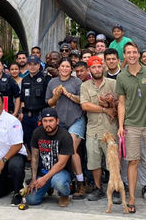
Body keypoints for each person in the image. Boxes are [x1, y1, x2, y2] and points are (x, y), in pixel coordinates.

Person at [116, 42, 146, 211]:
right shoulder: (121, 77)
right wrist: (121, 126)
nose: (132, 55)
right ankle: (132, 198)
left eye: (134, 52)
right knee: (133, 161)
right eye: (128, 52)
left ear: (139, 54)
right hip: (132, 125)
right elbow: (121, 103)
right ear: (125, 55)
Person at [46, 57, 86, 198]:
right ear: (58, 68)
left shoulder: (77, 82)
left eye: (67, 66)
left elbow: (82, 101)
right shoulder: (52, 82)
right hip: (60, 122)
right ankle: (59, 181)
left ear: (71, 69)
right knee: (57, 152)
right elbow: (49, 102)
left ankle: (81, 183)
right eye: (62, 66)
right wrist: (56, 96)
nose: (64, 69)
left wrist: (67, 94)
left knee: (72, 149)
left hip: (76, 120)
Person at [80, 56, 118, 202]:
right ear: (89, 70)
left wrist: (111, 104)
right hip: (93, 130)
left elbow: (119, 104)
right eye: (93, 67)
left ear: (103, 67)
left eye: (99, 66)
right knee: (94, 161)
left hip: (110, 129)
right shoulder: (85, 86)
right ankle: (97, 188)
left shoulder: (113, 83)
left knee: (112, 161)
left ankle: (114, 188)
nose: (97, 69)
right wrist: (104, 109)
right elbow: (85, 105)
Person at [26, 108, 74, 207]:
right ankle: (48, 187)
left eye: (51, 121)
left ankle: (64, 194)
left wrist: (45, 179)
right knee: (31, 200)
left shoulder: (65, 136)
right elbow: (34, 158)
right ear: (41, 122)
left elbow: (62, 163)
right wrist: (34, 179)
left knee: (58, 182)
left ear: (57, 121)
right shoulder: (37, 133)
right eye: (45, 121)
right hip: (43, 172)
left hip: (61, 172)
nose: (48, 124)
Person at [20, 55, 50, 152]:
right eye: (30, 64)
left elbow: (49, 98)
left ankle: (42, 164)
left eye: (35, 64)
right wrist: (21, 113)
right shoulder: (25, 80)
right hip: (27, 115)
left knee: (42, 140)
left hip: (40, 115)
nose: (32, 67)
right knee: (28, 138)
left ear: (39, 65)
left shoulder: (46, 78)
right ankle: (32, 161)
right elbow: (22, 98)